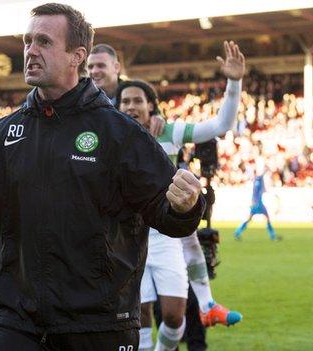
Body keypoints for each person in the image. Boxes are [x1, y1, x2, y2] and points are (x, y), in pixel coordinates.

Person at [0, 3, 205, 350]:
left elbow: (166, 213)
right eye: (27, 41)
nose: (30, 51)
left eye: (44, 42)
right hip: (17, 323)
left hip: (99, 327)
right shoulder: (3, 135)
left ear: (78, 55)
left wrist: (185, 207)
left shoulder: (120, 134)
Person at [115, 40, 245, 351]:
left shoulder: (169, 133)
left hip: (164, 236)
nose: (130, 107)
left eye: (137, 101)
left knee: (173, 317)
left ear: (151, 106)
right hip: (129, 237)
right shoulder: (113, 135)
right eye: (125, 102)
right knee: (140, 315)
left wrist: (234, 81)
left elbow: (221, 124)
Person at [88, 43, 165, 136]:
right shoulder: (82, 99)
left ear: (116, 67)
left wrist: (157, 116)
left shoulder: (136, 90)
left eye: (101, 66)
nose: (94, 71)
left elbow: (153, 112)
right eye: (90, 67)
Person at [234, 168, 279, 240]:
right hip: (258, 204)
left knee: (250, 218)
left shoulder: (256, 181)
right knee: (266, 218)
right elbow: (258, 191)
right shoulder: (258, 181)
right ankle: (272, 235)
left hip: (256, 203)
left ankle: (238, 232)